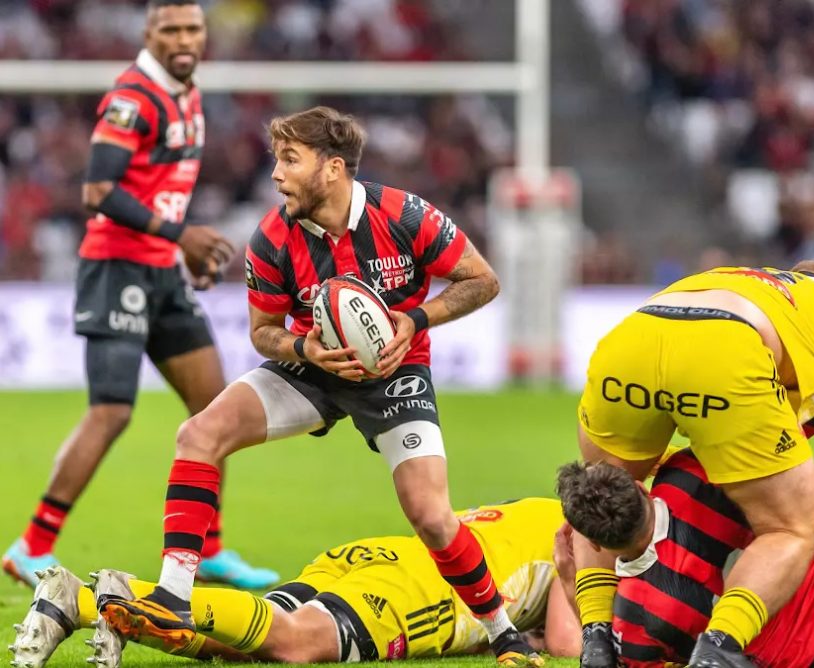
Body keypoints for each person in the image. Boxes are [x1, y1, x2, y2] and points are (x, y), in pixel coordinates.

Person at [98, 106, 543, 667]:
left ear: (333, 169)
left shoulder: (405, 214)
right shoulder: (272, 238)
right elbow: (263, 332)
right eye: (276, 160)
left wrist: (417, 320)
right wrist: (304, 348)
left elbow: (483, 280)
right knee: (198, 434)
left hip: (395, 372)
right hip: (312, 364)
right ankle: (172, 597)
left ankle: (504, 633)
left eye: (290, 160)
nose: (277, 175)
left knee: (431, 515)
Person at [1, 0, 275, 590]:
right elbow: (98, 191)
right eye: (170, 28)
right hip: (115, 269)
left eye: (192, 28)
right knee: (112, 411)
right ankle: (32, 545)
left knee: (214, 407)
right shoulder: (134, 98)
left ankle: (208, 550)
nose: (183, 37)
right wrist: (183, 235)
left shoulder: (188, 92)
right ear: (149, 33)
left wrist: (183, 254)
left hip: (162, 273)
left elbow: (162, 187)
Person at [573, 260, 814, 666]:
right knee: (792, 530)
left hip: (632, 335)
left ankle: (597, 640)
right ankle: (719, 648)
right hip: (727, 348)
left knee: (601, 492)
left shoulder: (749, 280)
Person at [10, 499, 581, 668]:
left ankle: (83, 602)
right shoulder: (587, 532)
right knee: (297, 643)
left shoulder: (544, 505)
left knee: (246, 645)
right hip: (424, 589)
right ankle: (122, 593)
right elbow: (566, 643)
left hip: (375, 555)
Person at [556, 455, 814, 668]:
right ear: (642, 489)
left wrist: (575, 590)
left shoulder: (633, 622)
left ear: (596, 544)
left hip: (803, 659)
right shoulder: (689, 475)